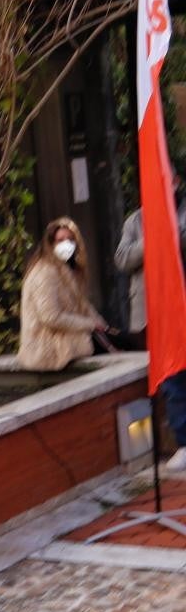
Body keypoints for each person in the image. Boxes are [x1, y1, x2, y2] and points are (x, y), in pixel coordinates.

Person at [115, 187, 186, 470]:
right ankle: (182, 441)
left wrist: (168, 230)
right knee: (171, 378)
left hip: (180, 307)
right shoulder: (135, 221)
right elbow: (122, 259)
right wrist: (149, 240)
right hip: (152, 313)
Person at [17, 217, 105, 371]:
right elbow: (50, 317)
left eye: (70, 239)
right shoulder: (44, 272)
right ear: (50, 244)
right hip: (47, 345)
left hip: (64, 337)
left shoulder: (67, 270)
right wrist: (90, 325)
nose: (66, 244)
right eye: (60, 240)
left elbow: (82, 305)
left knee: (119, 339)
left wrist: (101, 324)